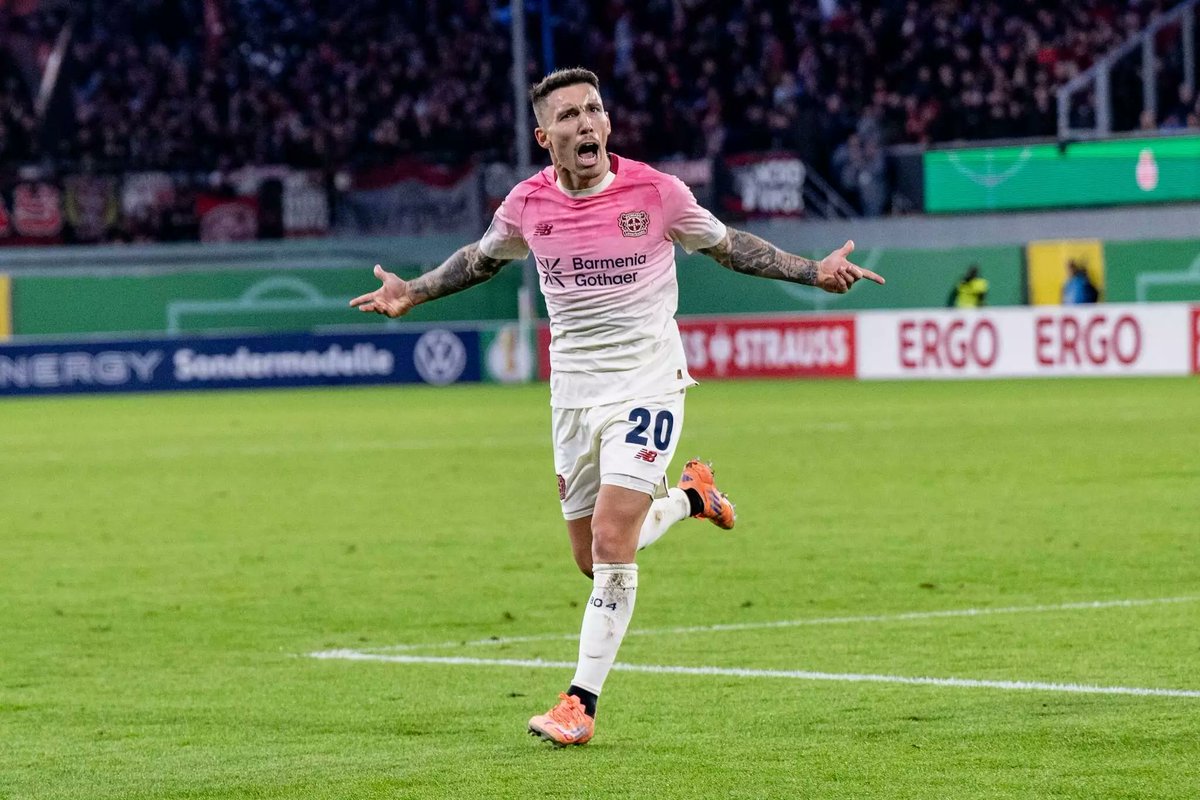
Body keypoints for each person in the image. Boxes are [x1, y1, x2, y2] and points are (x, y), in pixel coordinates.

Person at [349, 67, 884, 747]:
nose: (585, 123)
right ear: (545, 137)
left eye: (593, 110)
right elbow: (480, 260)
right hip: (573, 398)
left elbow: (729, 247)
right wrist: (413, 292)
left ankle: (580, 704)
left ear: (607, 123)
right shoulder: (526, 204)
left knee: (610, 540)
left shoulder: (657, 192)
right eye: (568, 116)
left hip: (648, 385)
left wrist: (813, 270)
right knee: (592, 558)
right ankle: (691, 499)